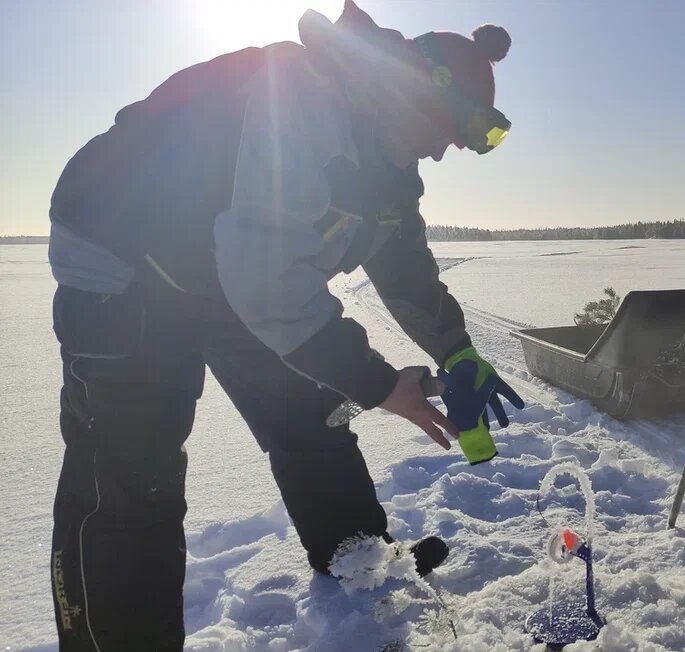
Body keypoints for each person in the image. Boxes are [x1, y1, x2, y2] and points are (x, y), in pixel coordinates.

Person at [45, 2, 523, 649]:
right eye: (446, 132)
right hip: (125, 262)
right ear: (416, 89)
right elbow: (269, 285)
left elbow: (405, 269)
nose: (441, 153)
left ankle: (358, 558)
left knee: (308, 414)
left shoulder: (387, 160)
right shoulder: (301, 97)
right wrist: (381, 383)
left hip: (224, 271)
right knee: (133, 479)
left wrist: (458, 351)